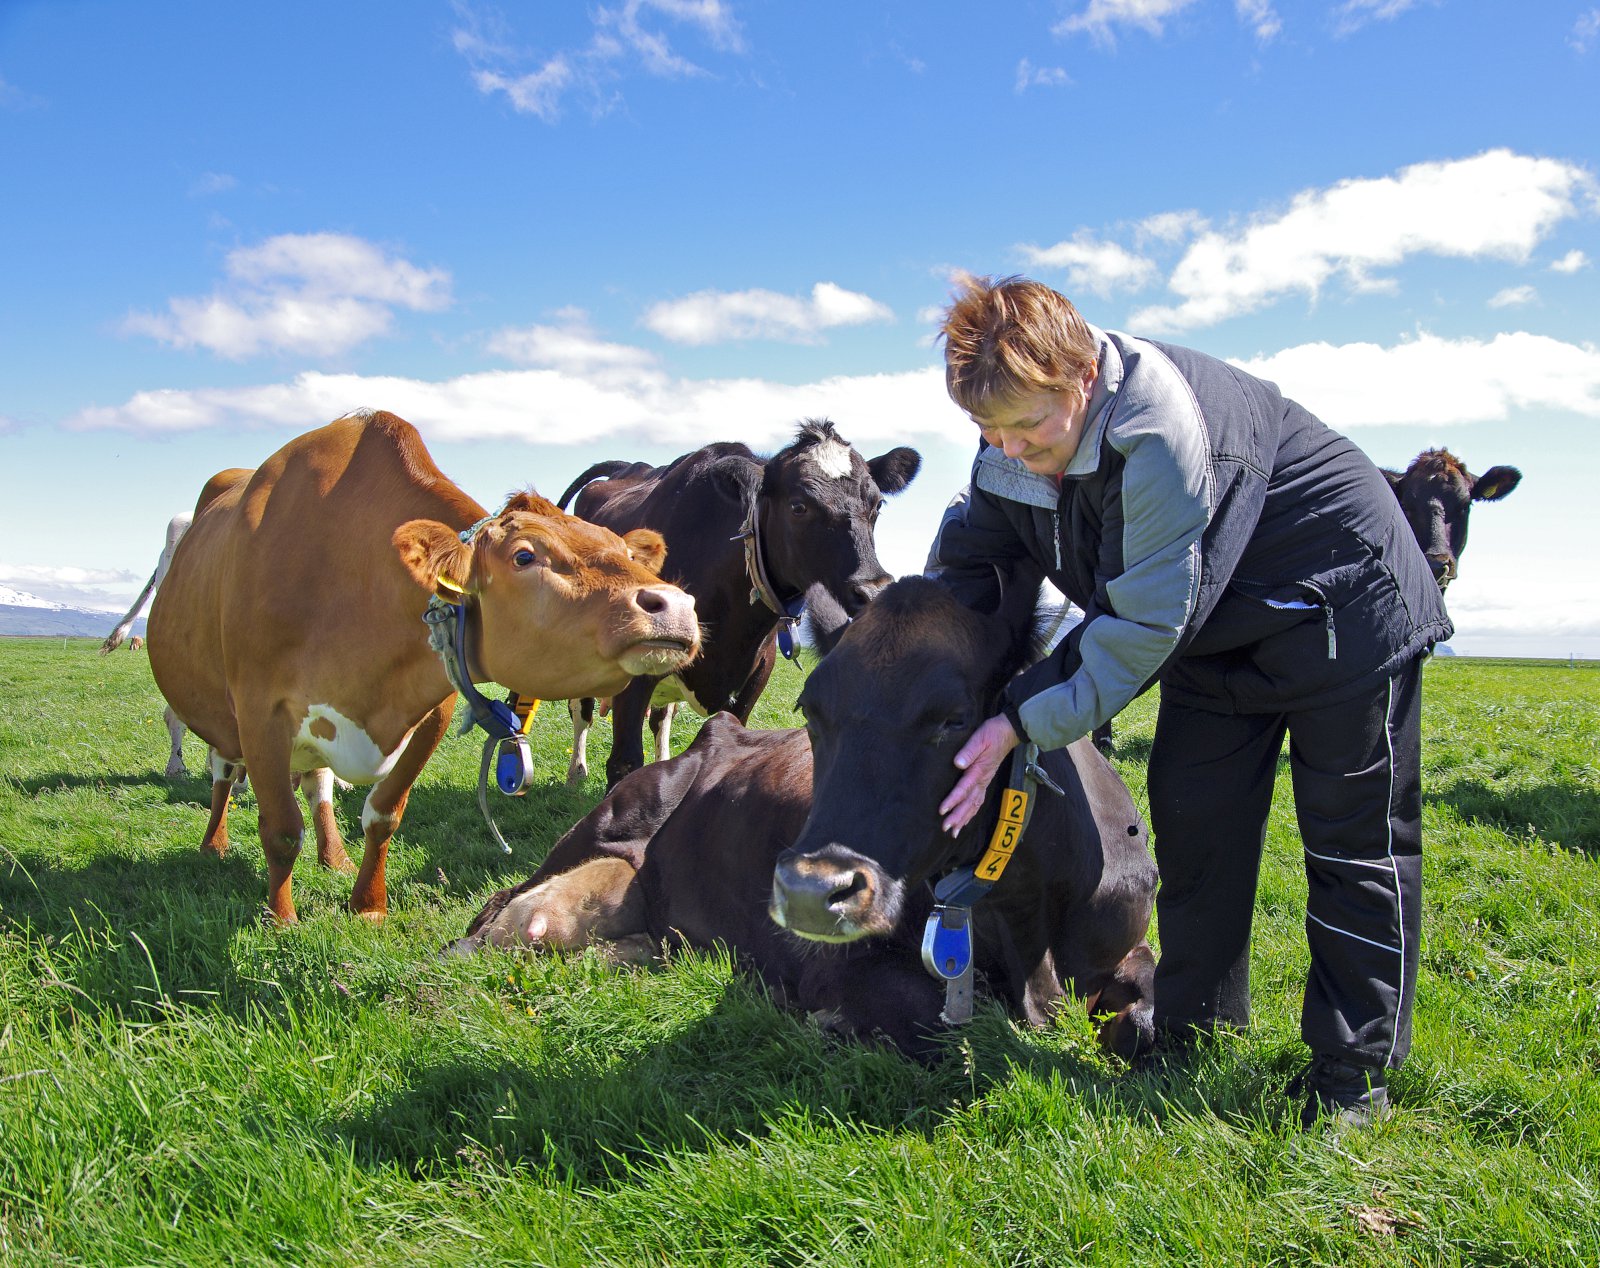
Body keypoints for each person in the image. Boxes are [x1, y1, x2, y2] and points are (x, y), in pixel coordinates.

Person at [926, 274, 1452, 1129]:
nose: (1010, 449)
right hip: (1213, 629)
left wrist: (1016, 719)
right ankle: (1196, 1034)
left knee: (1354, 844)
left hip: (1341, 608)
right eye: (989, 429)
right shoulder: (1009, 449)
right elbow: (972, 566)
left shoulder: (1159, 433)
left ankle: (1354, 1075)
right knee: (1195, 822)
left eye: (1029, 425)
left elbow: (1138, 625)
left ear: (1082, 378)